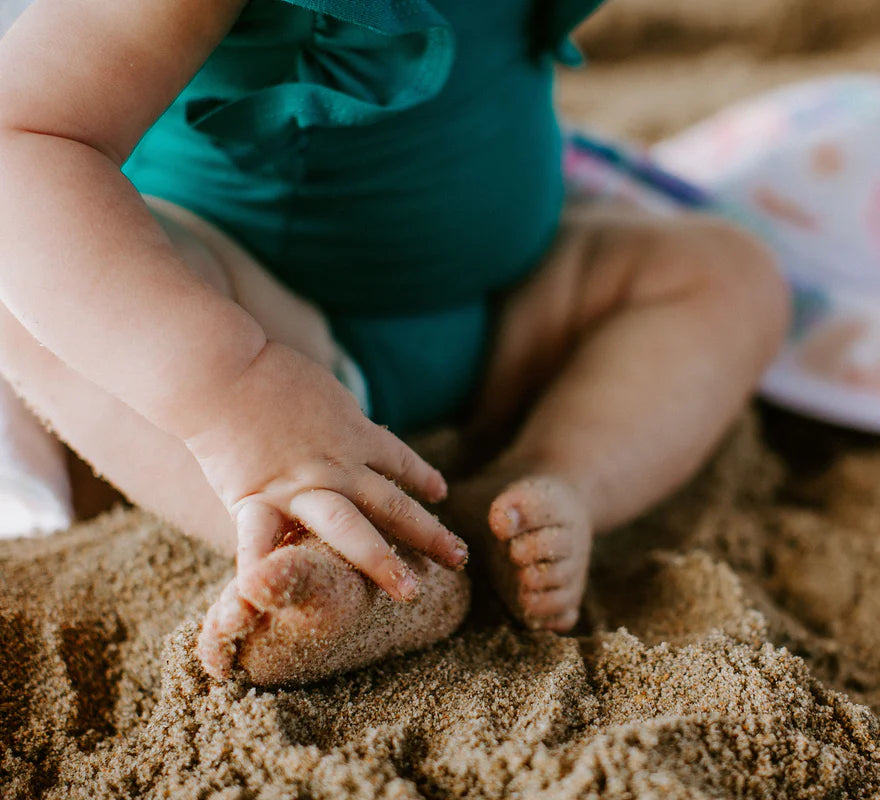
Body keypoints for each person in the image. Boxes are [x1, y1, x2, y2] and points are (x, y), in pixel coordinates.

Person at [0, 0, 789, 685]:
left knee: (729, 276)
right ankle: (322, 536)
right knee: (38, 302)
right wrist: (233, 389)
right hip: (261, 325)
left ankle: (541, 486)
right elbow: (23, 141)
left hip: (513, 305)